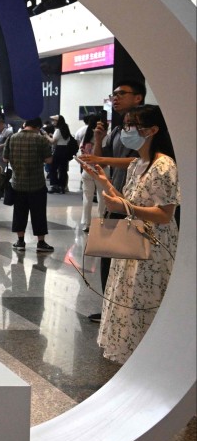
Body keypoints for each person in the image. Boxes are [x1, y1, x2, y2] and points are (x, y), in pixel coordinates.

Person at [80, 105, 178, 364]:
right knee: (128, 300)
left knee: (144, 301)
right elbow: (127, 200)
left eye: (132, 126)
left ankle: (150, 359)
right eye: (125, 126)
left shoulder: (164, 166)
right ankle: (133, 358)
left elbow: (165, 214)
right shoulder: (137, 164)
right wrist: (104, 181)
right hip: (132, 244)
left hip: (153, 248)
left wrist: (125, 207)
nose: (126, 131)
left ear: (153, 130)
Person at [79, 79, 145, 320]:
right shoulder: (118, 131)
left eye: (122, 94)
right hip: (114, 198)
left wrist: (106, 162)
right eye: (113, 94)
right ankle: (109, 308)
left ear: (138, 97)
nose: (115, 98)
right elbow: (101, 159)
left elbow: (141, 161)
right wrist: (98, 138)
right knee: (108, 257)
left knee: (129, 260)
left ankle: (124, 311)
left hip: (135, 201)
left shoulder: (146, 130)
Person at [3, 117, 54, 253]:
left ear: (25, 124)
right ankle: (41, 243)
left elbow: (5, 158)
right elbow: (49, 160)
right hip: (37, 183)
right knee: (39, 213)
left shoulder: (12, 138)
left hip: (18, 182)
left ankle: (20, 241)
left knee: (19, 212)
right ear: (38, 126)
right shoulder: (41, 139)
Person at [75, 113, 101, 230]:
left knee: (87, 197)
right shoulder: (102, 135)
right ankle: (101, 221)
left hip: (87, 168)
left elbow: (79, 151)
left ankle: (86, 223)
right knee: (102, 197)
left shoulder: (83, 134)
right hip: (101, 169)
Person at [46, 114, 72, 194]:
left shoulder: (58, 130)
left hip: (59, 150)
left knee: (52, 168)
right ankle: (62, 187)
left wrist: (46, 136)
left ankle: (54, 185)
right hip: (66, 150)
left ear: (58, 121)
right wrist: (52, 136)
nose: (53, 122)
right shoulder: (66, 129)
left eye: (54, 120)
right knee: (63, 169)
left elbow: (53, 141)